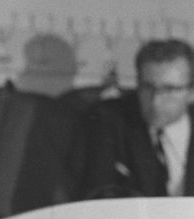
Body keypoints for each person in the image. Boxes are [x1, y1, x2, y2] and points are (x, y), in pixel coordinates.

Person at [80, 39, 194, 198]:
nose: (156, 100)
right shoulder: (110, 120)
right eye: (148, 87)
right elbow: (98, 192)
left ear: (191, 92)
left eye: (169, 89)